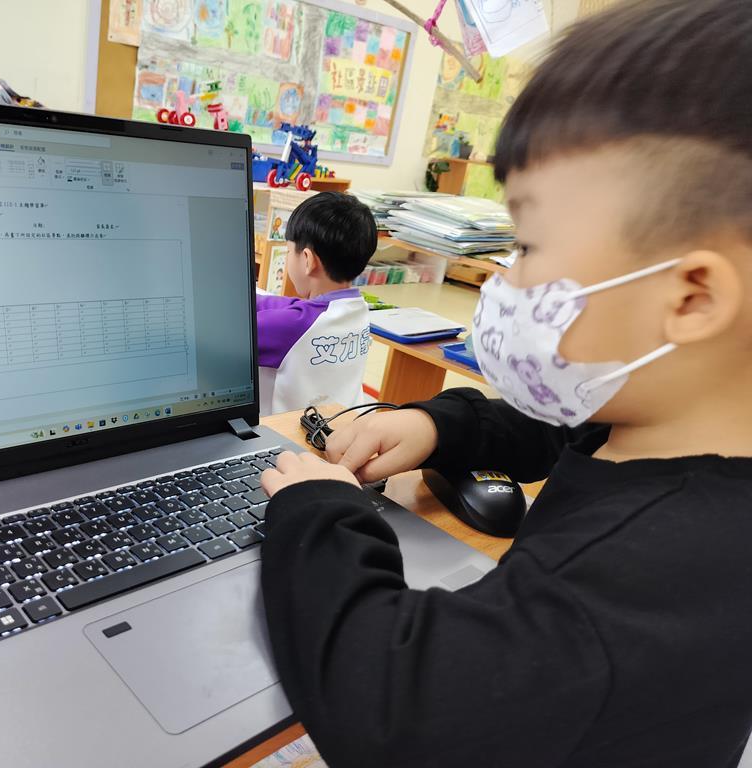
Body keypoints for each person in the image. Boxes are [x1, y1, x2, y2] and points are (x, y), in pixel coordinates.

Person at [258, 0, 752, 765]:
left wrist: (319, 510)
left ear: (691, 299)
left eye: (528, 246)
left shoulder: (651, 572)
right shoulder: (665, 426)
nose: (500, 280)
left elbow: (389, 709)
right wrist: (435, 425)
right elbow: (556, 429)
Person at [256, 191, 377, 415]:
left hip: (292, 433)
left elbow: (224, 334)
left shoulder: (293, 326)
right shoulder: (357, 309)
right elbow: (289, 307)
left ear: (307, 260)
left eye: (289, 251)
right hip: (345, 423)